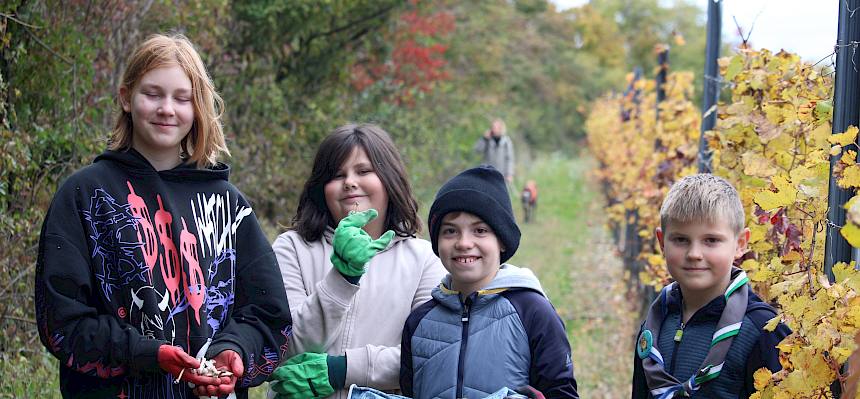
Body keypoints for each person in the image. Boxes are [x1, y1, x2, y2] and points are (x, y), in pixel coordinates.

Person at [33, 34, 291, 398]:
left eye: (182, 98)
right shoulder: (86, 196)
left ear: (197, 107)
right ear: (126, 97)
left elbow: (268, 313)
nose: (167, 108)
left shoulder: (228, 204)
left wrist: (232, 351)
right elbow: (62, 322)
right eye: (152, 94)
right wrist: (148, 353)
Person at [267, 124, 446, 399]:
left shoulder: (425, 259)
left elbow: (426, 356)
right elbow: (286, 348)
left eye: (363, 171)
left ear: (389, 180)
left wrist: (341, 369)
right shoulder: (291, 248)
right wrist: (342, 276)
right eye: (337, 175)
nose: (350, 181)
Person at [400, 165, 579, 399]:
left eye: (480, 230)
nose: (464, 242)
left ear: (502, 241)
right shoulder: (419, 322)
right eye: (450, 231)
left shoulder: (533, 312)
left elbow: (561, 390)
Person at [631, 174, 792, 398]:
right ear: (661, 242)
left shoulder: (762, 332)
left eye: (711, 240)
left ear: (740, 244)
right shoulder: (654, 325)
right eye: (680, 240)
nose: (694, 254)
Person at [474, 119, 515, 183]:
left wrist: (509, 174)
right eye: (492, 127)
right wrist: (484, 139)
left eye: (496, 127)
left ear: (501, 128)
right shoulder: (487, 139)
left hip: (501, 175)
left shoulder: (506, 141)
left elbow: (509, 159)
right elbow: (477, 150)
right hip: (487, 173)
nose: (493, 129)